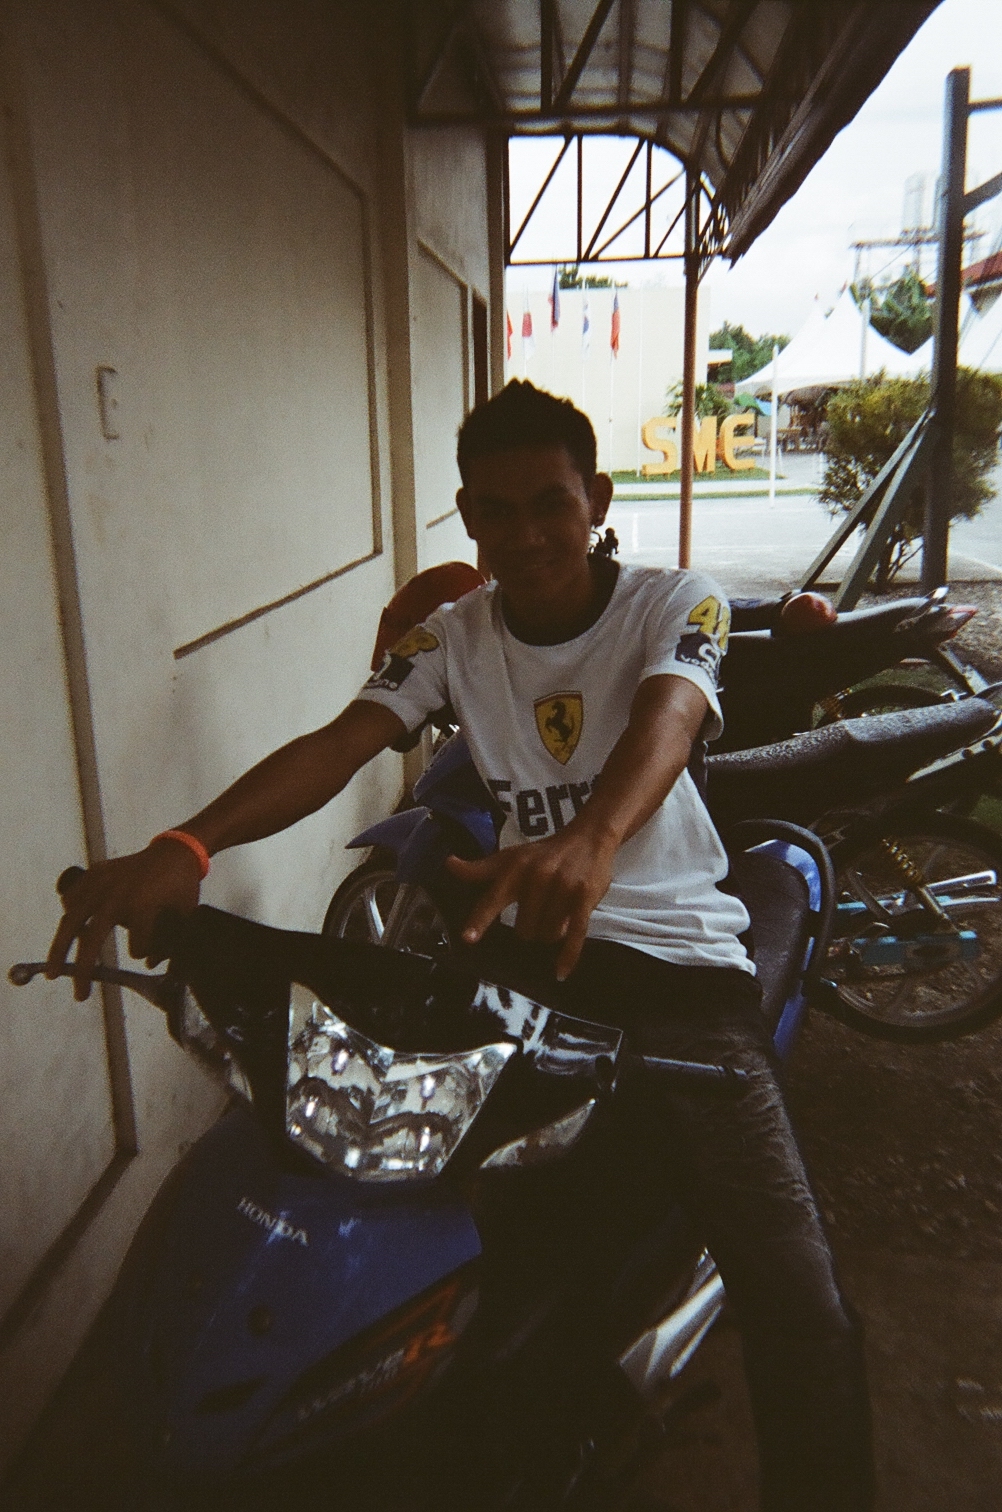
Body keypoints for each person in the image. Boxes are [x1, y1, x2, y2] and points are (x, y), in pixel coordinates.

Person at [48, 380, 872, 1510]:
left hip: (679, 971)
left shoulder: (675, 601)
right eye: (497, 511)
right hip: (522, 962)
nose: (525, 535)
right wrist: (188, 842)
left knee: (799, 1298)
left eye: (550, 505)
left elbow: (671, 716)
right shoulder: (454, 635)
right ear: (469, 517)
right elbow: (341, 743)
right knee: (447, 1233)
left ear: (597, 501)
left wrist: (594, 838)